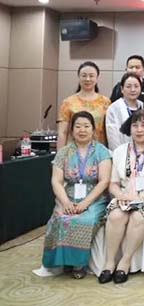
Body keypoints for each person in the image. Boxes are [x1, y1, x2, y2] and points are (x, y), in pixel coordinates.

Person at [100, 110, 144, 284]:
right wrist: (121, 196)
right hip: (124, 196)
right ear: (129, 128)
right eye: (135, 125)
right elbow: (113, 183)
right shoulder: (120, 151)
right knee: (116, 216)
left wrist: (140, 196)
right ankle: (109, 262)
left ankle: (125, 262)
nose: (139, 129)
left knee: (138, 217)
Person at [42, 111, 112, 279]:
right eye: (78, 126)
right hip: (68, 197)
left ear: (93, 130)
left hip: (94, 199)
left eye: (86, 126)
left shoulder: (102, 151)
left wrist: (85, 203)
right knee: (61, 218)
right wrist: (66, 202)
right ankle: (61, 261)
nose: (82, 130)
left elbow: (104, 181)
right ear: (72, 130)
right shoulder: (63, 152)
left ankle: (78, 264)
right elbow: (56, 181)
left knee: (85, 220)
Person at [58, 61, 111, 148]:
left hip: (98, 151)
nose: (87, 79)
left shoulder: (105, 102)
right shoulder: (68, 102)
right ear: (79, 77)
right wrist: (60, 154)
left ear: (97, 78)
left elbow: (109, 131)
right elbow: (62, 132)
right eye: (84, 75)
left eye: (91, 76)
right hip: (74, 151)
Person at [105, 73, 143, 150]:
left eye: (136, 86)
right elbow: (112, 137)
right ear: (122, 89)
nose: (133, 90)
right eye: (128, 86)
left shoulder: (142, 106)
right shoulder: (114, 108)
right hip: (122, 152)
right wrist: (120, 154)